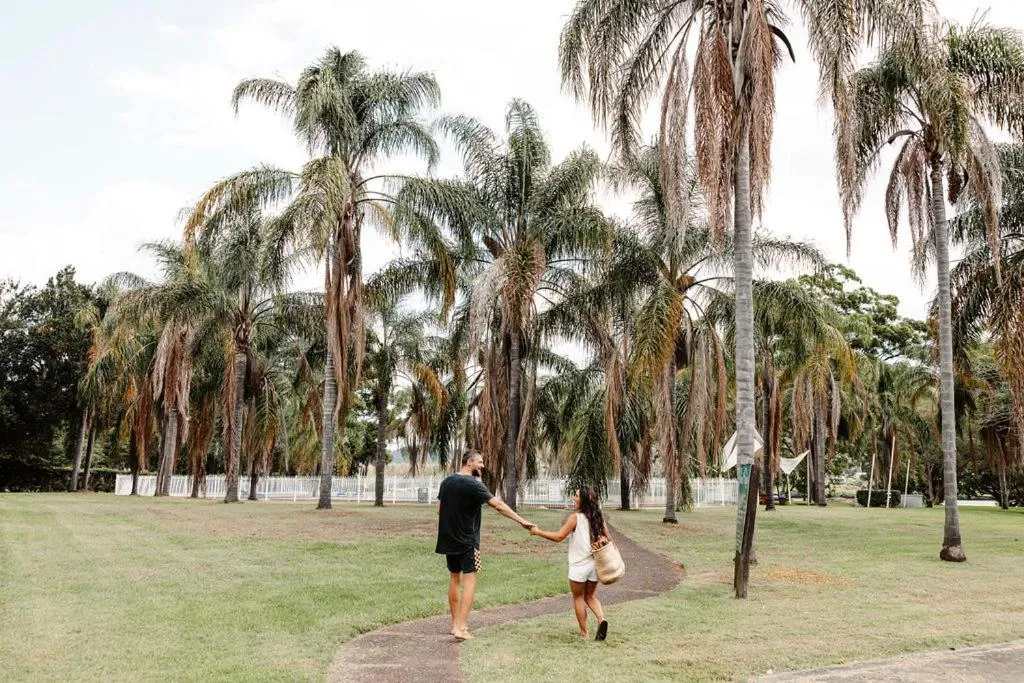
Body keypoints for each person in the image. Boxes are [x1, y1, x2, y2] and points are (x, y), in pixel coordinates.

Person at [436, 450, 534, 641]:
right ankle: (461, 627)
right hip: (468, 541)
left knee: (454, 578)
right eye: (480, 462)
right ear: (469, 462)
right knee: (470, 579)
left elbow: (439, 509)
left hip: (449, 539)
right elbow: (498, 505)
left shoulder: (446, 482)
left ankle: (454, 623)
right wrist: (521, 521)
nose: (482, 466)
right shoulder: (473, 484)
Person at [529, 487, 609, 641]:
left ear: (584, 500)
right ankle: (601, 619)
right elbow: (608, 540)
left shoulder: (575, 518)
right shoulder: (598, 518)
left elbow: (559, 537)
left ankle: (584, 633)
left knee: (578, 597)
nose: (574, 498)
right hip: (594, 566)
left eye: (577, 496)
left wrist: (538, 532)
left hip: (579, 566)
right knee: (590, 596)